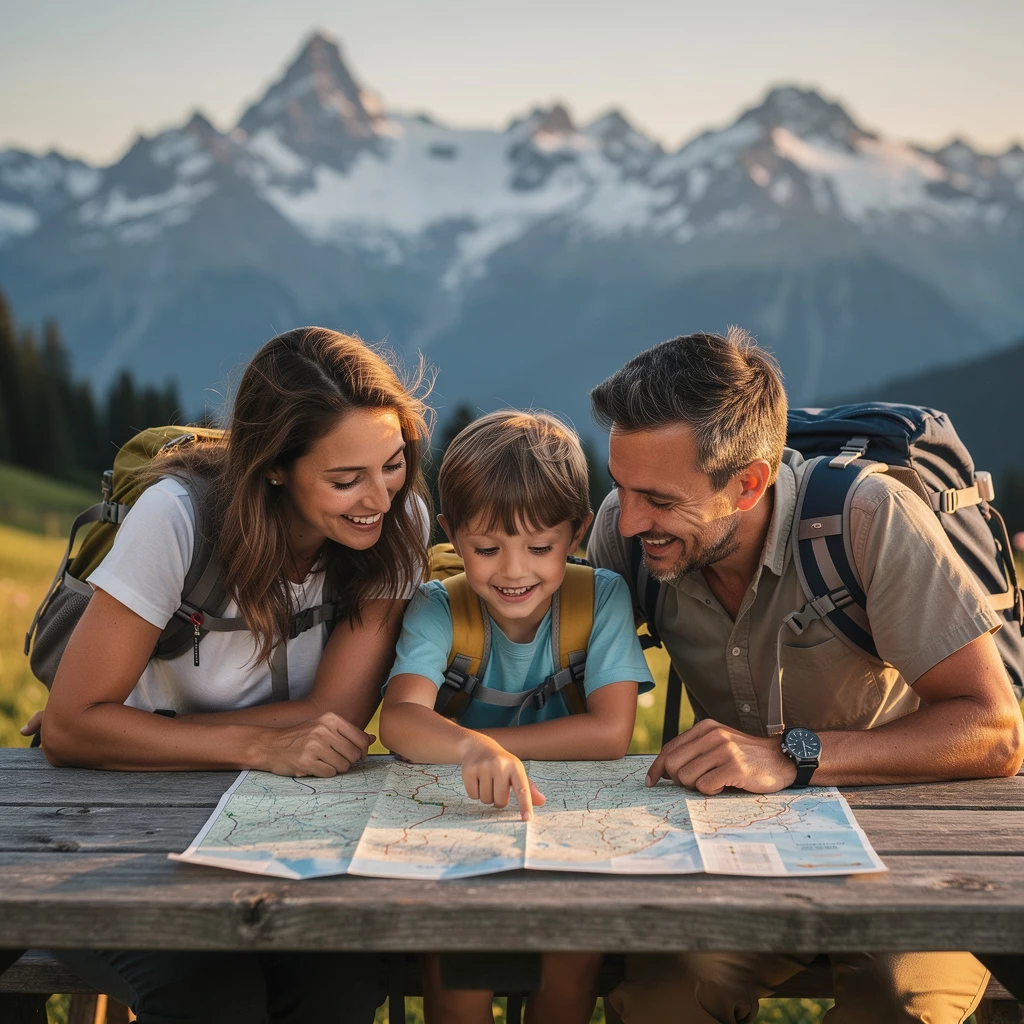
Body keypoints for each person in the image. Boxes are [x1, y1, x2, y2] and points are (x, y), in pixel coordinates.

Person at [586, 328, 1024, 1024]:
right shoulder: (627, 529)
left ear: (749, 483)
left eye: (660, 501)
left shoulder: (868, 519)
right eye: (620, 488)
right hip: (736, 845)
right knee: (664, 998)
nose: (631, 519)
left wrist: (792, 755)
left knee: (897, 1003)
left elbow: (995, 730)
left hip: (915, 842)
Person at [34, 326, 432, 1024]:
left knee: (336, 986)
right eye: (346, 479)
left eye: (393, 464)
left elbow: (332, 717)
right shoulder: (177, 517)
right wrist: (259, 744)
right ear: (275, 467)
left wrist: (138, 727)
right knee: (214, 995)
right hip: (117, 825)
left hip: (284, 828)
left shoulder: (399, 525)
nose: (380, 497)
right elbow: (70, 730)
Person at [379, 410, 654, 1024]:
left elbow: (611, 733)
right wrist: (474, 752)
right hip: (453, 830)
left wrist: (494, 746)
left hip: (571, 833)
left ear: (576, 533)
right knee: (457, 959)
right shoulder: (436, 607)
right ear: (451, 535)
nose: (512, 571)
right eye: (485, 549)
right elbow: (398, 719)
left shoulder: (601, 597)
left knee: (574, 954)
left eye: (539, 547)